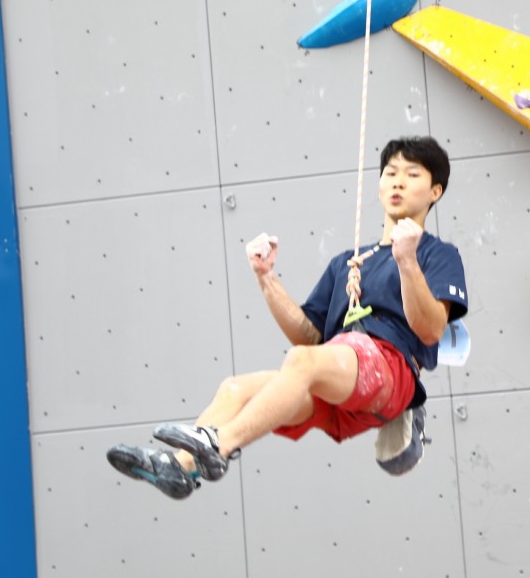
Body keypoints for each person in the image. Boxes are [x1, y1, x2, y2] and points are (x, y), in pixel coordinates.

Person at [107, 136, 468, 499]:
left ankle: (218, 445)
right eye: (390, 173)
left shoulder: (437, 254)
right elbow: (309, 338)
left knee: (303, 361)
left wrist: (407, 261)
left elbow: (431, 330)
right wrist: (266, 277)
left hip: (388, 373)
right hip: (340, 384)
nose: (398, 182)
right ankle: (179, 468)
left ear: (435, 191)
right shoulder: (347, 261)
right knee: (235, 389)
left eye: (412, 174)